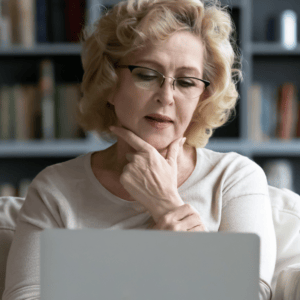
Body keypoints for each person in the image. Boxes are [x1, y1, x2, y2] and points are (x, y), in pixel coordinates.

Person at [3, 0, 276, 299]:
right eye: (146, 74)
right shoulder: (55, 189)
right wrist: (146, 264)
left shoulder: (234, 178)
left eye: (185, 82)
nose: (166, 96)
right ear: (109, 82)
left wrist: (167, 204)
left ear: (203, 96)